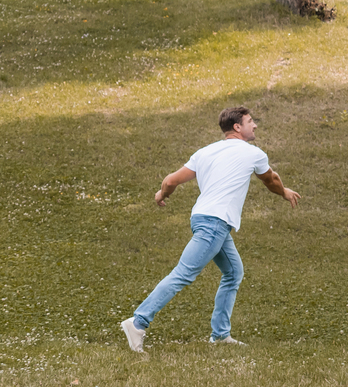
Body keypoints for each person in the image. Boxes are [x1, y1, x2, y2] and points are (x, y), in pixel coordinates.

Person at [120, 106, 299, 352]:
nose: (255, 125)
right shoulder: (253, 153)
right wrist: (284, 192)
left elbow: (170, 180)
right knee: (183, 274)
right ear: (237, 127)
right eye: (250, 121)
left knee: (233, 272)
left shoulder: (205, 152)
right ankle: (138, 322)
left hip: (205, 219)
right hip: (215, 223)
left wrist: (162, 194)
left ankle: (220, 335)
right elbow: (272, 179)